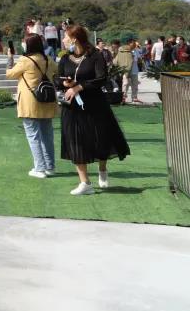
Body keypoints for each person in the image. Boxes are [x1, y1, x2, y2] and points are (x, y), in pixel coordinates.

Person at [58, 25, 131, 196]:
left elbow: (101, 79)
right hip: (72, 108)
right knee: (74, 141)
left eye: (65, 37)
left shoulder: (95, 56)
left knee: (99, 138)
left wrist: (80, 87)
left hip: (95, 105)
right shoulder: (65, 58)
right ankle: (85, 182)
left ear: (74, 38)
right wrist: (64, 83)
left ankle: (103, 169)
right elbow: (57, 78)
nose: (63, 40)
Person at [7, 35, 58, 179]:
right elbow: (58, 70)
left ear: (28, 45)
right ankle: (50, 166)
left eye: (24, 42)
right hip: (47, 101)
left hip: (30, 102)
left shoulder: (25, 61)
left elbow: (9, 74)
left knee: (33, 136)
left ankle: (39, 168)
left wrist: (10, 58)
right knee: (47, 136)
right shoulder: (47, 59)